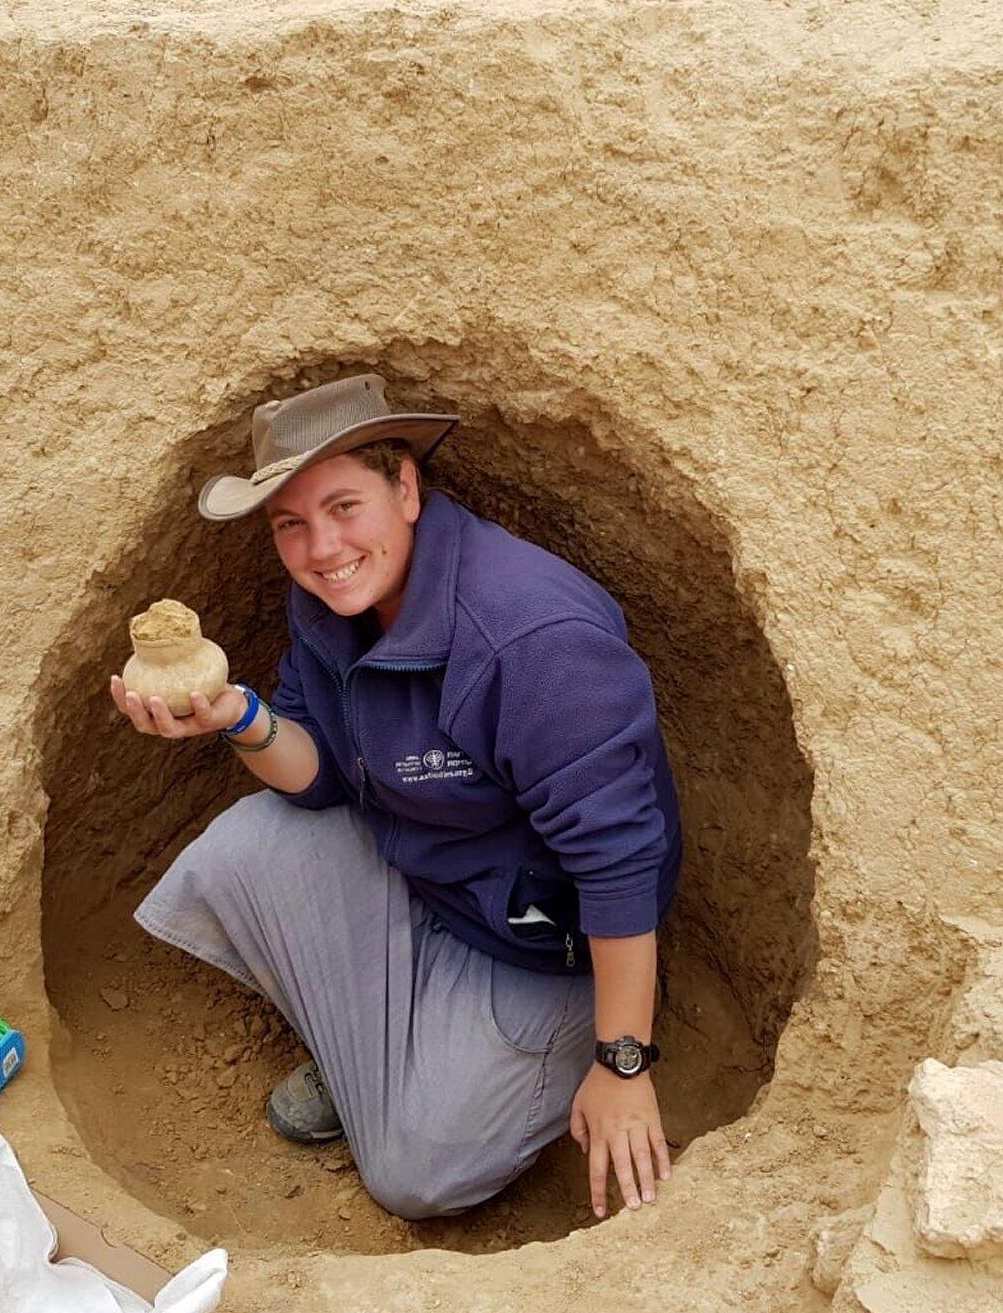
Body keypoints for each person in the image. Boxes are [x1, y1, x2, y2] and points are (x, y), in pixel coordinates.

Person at [110, 374, 682, 1222]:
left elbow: (620, 860)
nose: (321, 547)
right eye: (290, 524)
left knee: (417, 1173)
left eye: (344, 506)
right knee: (236, 854)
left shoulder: (532, 638)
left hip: (544, 941)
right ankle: (371, 1059)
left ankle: (455, 1059)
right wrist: (239, 716)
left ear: (406, 489)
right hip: (432, 876)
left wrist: (623, 1060)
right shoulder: (334, 600)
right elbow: (321, 774)